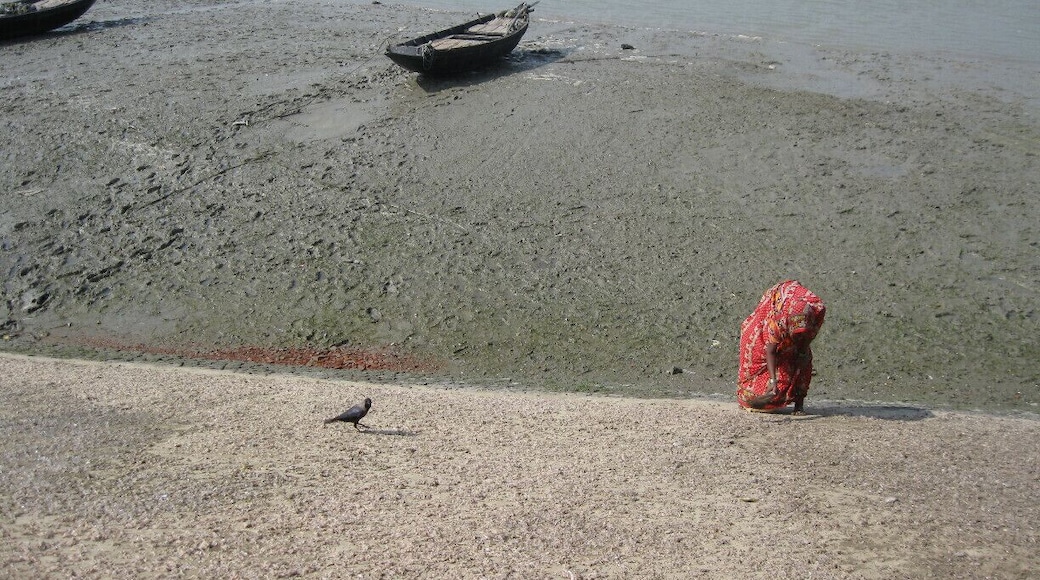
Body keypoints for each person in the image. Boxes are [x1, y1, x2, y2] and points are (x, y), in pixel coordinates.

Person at [737, 280, 825, 413]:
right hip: (775, 312)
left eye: (800, 334)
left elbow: (807, 338)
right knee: (757, 355)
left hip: (797, 320)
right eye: (795, 335)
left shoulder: (816, 311)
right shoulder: (778, 322)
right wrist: (773, 380)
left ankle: (799, 405)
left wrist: (802, 351)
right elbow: (770, 351)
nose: (797, 338)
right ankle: (752, 398)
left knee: (803, 362)